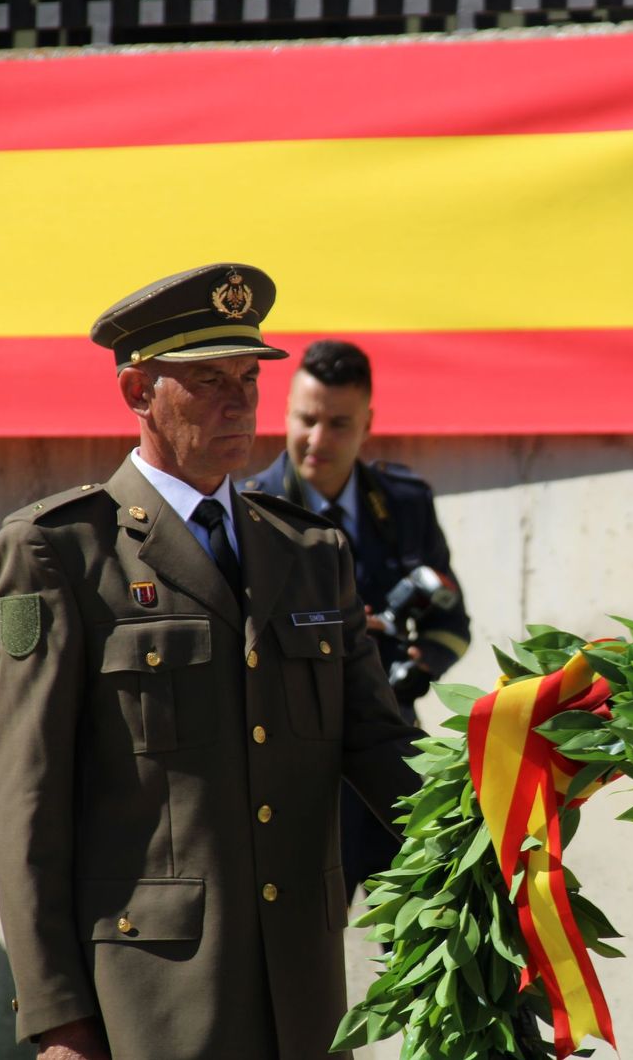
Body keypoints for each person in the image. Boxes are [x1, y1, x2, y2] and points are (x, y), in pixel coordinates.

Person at [0, 263, 422, 1060]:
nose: (241, 400)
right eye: (209, 379)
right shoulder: (61, 552)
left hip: (305, 1002)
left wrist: (503, 826)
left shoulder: (311, 550)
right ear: (137, 392)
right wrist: (58, 1017)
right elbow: (29, 799)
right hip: (153, 1003)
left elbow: (382, 749)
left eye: (248, 377)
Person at [244, 339, 470, 905]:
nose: (317, 440)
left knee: (424, 934)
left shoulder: (405, 502)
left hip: (392, 750)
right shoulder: (246, 511)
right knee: (303, 945)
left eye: (339, 423)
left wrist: (416, 670)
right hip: (298, 771)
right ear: (286, 412)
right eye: (307, 419)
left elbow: (452, 620)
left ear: (368, 423)